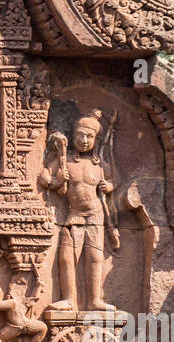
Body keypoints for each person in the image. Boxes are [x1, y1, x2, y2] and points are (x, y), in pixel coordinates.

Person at [39, 112, 119, 311]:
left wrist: (109, 187)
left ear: (96, 140)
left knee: (94, 257)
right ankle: (69, 299)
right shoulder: (64, 161)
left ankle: (94, 300)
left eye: (89, 137)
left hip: (95, 215)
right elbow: (44, 176)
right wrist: (57, 181)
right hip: (73, 214)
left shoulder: (100, 165)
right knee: (67, 256)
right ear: (73, 136)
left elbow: (112, 182)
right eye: (80, 136)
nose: (84, 141)